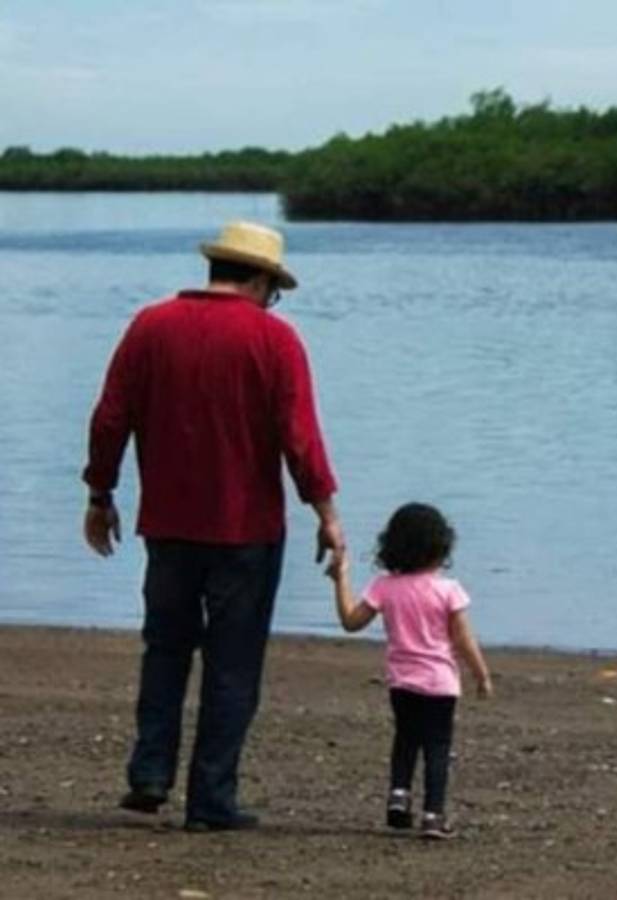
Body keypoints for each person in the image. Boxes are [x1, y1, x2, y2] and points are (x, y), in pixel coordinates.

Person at [82, 220, 344, 832]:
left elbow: (109, 417)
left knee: (165, 649)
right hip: (247, 530)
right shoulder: (275, 341)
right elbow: (299, 440)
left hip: (167, 523)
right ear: (258, 280)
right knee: (233, 664)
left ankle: (150, 774)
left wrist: (101, 493)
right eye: (272, 289)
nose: (271, 299)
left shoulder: (150, 325)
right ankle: (211, 800)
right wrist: (327, 514)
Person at [327, 502, 492, 839]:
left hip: (402, 683)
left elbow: (350, 622)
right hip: (440, 685)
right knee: (437, 748)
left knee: (405, 739)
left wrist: (341, 577)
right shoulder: (448, 591)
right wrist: (481, 675)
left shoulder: (384, 587)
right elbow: (463, 639)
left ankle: (398, 798)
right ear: (441, 547)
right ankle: (433, 815)